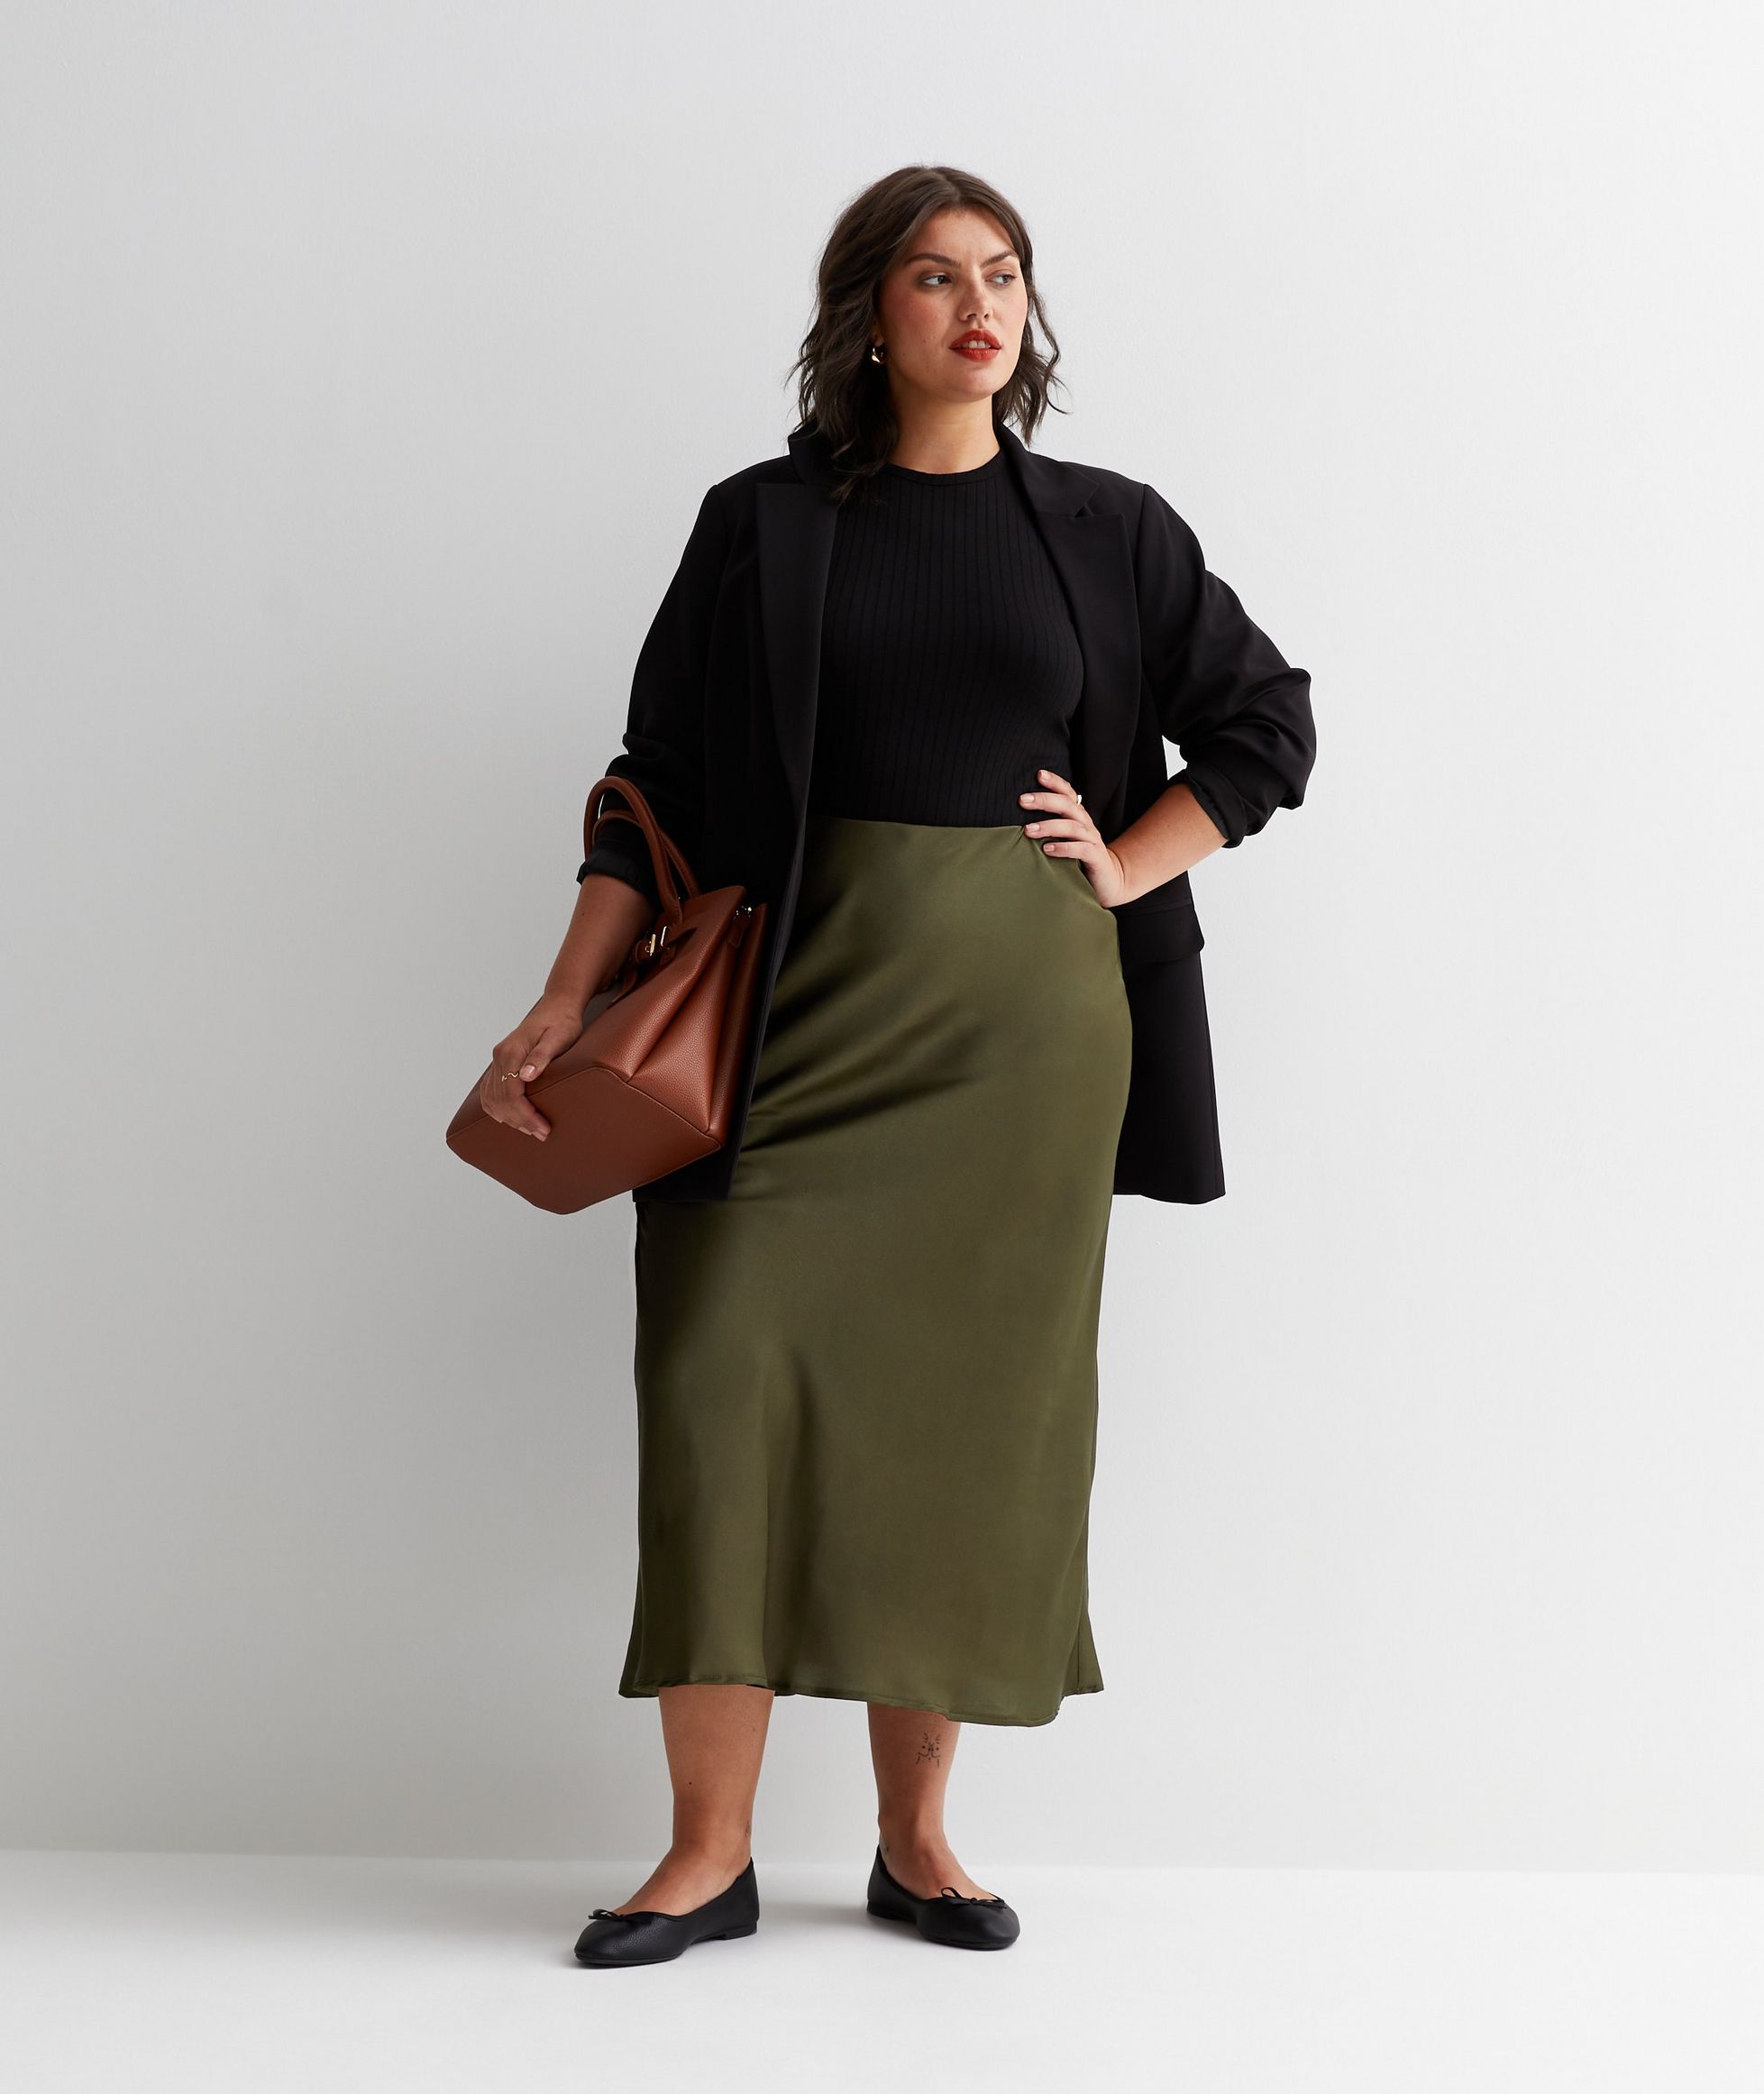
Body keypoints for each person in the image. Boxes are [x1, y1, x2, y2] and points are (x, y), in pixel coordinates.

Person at [476, 165, 1316, 1965]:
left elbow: (1267, 721)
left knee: (949, 1424)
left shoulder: (1108, 528)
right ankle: (704, 1856)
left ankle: (918, 1842)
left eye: (1002, 274)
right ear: (869, 312)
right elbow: (653, 782)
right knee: (720, 1394)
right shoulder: (762, 522)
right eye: (936, 277)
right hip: (785, 1025)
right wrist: (562, 997)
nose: (977, 306)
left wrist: (1128, 860)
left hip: (1017, 1046)